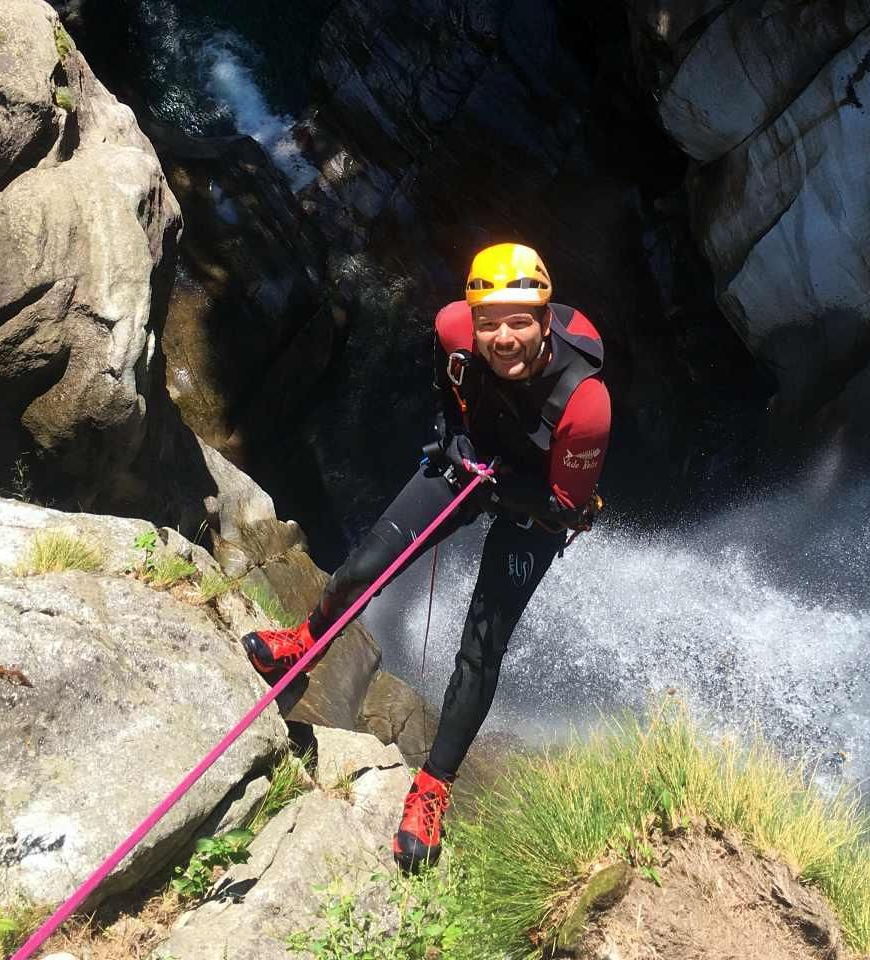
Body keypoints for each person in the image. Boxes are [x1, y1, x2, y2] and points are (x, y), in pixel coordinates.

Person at [241, 243, 611, 873]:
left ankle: (433, 786)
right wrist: (452, 439)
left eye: (519, 321)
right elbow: (451, 387)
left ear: (545, 321)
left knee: (479, 647)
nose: (502, 336)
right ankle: (307, 638)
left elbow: (566, 505)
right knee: (362, 569)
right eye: (489, 321)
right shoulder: (450, 328)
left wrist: (493, 485)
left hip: (532, 509)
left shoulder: (584, 404)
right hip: (466, 463)